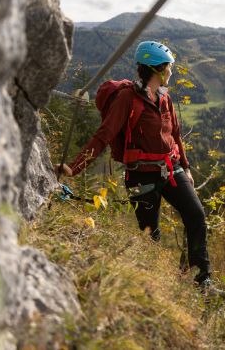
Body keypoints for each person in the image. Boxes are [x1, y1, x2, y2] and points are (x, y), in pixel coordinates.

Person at [55, 41, 212, 288]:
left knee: (196, 216)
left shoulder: (164, 97)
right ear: (158, 70)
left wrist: (187, 167)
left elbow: (176, 134)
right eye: (169, 67)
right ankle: (156, 285)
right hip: (142, 176)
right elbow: (103, 135)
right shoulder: (128, 98)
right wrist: (73, 168)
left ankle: (199, 280)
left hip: (171, 170)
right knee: (151, 236)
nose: (172, 71)